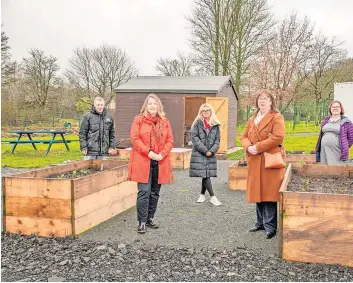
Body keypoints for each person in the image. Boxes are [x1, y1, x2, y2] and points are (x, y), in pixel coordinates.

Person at [240, 90, 285, 239]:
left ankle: (270, 227)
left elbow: (278, 137)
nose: (262, 101)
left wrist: (257, 147)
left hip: (269, 160)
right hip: (254, 161)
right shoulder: (253, 118)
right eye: (260, 99)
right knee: (257, 192)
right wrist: (248, 147)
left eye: (265, 99)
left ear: (271, 101)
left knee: (269, 193)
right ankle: (260, 223)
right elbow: (244, 136)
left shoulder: (276, 117)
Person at [128, 93, 174, 234]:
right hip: (144, 160)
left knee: (154, 192)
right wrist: (148, 152)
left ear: (158, 106)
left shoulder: (165, 122)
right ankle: (141, 221)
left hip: (159, 162)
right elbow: (135, 139)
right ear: (146, 106)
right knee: (144, 192)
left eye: (155, 104)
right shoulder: (139, 120)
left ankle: (150, 218)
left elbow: (170, 141)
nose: (152, 106)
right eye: (150, 104)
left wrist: (162, 154)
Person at [189, 103, 222, 206]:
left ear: (211, 111)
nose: (206, 112)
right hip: (200, 153)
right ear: (201, 112)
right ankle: (213, 197)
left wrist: (211, 151)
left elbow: (217, 140)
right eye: (204, 111)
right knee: (206, 174)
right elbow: (195, 138)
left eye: (208, 110)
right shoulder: (197, 124)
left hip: (210, 153)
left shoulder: (215, 125)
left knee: (206, 173)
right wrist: (205, 150)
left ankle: (202, 194)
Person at [315, 100, 353, 165]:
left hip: (337, 149)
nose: (335, 108)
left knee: (337, 167)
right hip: (324, 148)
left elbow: (351, 138)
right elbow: (321, 135)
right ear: (330, 109)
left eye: (337, 107)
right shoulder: (325, 121)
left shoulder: (347, 122)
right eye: (333, 107)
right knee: (325, 166)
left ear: (341, 109)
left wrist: (344, 145)